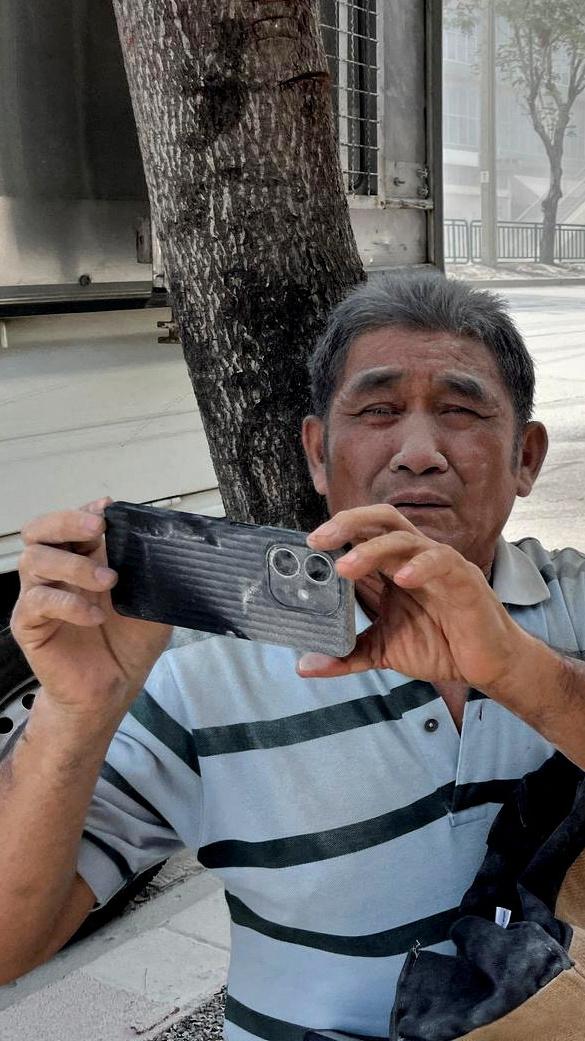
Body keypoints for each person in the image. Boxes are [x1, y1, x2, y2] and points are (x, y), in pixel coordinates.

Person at [3, 272, 585, 1041]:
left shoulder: (573, 603)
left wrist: (519, 669)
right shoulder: (192, 670)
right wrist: (73, 715)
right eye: (377, 410)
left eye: (461, 410)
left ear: (525, 457)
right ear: (318, 453)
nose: (418, 451)